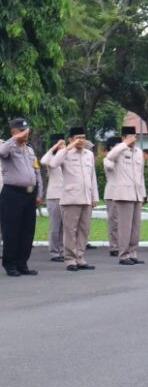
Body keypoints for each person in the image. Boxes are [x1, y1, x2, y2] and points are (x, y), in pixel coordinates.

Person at [48, 127, 99, 272]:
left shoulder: (89, 154)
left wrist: (94, 196)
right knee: (70, 231)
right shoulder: (65, 153)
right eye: (78, 137)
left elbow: (92, 176)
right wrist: (66, 148)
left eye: (83, 137)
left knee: (84, 230)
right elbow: (52, 164)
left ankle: (80, 258)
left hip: (86, 197)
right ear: (70, 139)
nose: (81, 140)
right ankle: (70, 259)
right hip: (70, 198)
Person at [0, 118, 44, 277]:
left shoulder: (30, 149)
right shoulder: (7, 146)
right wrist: (14, 139)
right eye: (22, 131)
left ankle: (22, 263)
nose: (26, 134)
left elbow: (37, 171)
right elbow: (1, 152)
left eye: (27, 131)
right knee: (12, 231)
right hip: (12, 194)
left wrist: (39, 193)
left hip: (29, 194)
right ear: (13, 132)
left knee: (27, 231)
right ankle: (10, 264)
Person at [106, 127, 146, 266]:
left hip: (136, 193)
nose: (133, 139)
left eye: (135, 137)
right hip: (123, 194)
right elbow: (109, 157)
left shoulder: (139, 152)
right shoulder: (119, 151)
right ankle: (123, 255)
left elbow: (140, 174)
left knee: (135, 227)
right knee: (124, 227)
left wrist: (143, 193)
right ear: (123, 137)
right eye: (130, 136)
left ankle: (133, 253)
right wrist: (123, 144)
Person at [40, 133, 67, 262]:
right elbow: (43, 160)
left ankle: (62, 250)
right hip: (54, 196)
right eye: (61, 144)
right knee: (55, 227)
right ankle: (54, 252)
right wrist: (54, 148)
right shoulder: (51, 159)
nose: (63, 147)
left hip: (67, 196)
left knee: (64, 226)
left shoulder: (66, 158)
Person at [103, 136, 121, 256]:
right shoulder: (107, 159)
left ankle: (122, 244)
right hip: (112, 193)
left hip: (123, 193)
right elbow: (110, 166)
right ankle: (114, 246)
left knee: (122, 222)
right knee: (114, 222)